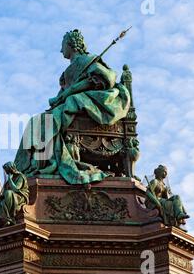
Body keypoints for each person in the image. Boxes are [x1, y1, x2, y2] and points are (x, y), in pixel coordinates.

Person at [14, 29, 130, 184]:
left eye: (63, 45)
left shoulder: (89, 60)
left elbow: (103, 79)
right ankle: (36, 166)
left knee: (49, 119)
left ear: (71, 44)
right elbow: (63, 94)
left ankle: (42, 164)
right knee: (37, 121)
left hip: (89, 103)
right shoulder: (69, 70)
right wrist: (60, 97)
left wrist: (69, 92)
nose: (61, 50)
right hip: (71, 104)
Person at [0, 162, 29, 229]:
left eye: (7, 170)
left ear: (11, 169)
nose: (6, 172)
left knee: (8, 193)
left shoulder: (20, 176)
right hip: (10, 197)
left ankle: (11, 217)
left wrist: (10, 179)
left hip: (20, 197)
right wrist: (1, 195)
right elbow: (4, 191)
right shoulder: (9, 179)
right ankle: (4, 219)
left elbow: (16, 189)